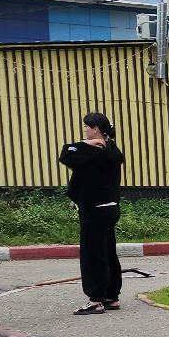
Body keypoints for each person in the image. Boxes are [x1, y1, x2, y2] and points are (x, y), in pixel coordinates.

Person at [59, 112, 124, 315]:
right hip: (111, 207)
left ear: (95, 128)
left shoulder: (89, 152)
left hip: (94, 208)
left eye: (87, 127)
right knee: (108, 252)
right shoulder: (113, 150)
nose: (85, 131)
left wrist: (84, 143)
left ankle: (96, 300)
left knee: (93, 254)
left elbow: (65, 154)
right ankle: (111, 296)